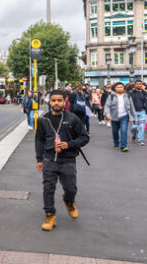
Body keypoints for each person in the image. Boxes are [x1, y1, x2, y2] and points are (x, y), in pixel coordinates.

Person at [36, 89, 90, 231]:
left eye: (59, 100)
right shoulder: (43, 120)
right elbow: (39, 140)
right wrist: (39, 159)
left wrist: (69, 144)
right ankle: (49, 215)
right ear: (49, 101)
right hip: (49, 160)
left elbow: (85, 137)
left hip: (68, 160)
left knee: (71, 189)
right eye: (53, 100)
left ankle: (69, 202)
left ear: (64, 101)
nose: (56, 103)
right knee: (48, 188)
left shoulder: (72, 118)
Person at [104, 82, 137, 152]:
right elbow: (107, 106)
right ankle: (116, 143)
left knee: (124, 131)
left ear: (124, 88)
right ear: (115, 88)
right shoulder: (111, 96)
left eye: (121, 87)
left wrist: (134, 116)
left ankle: (123, 146)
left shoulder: (127, 96)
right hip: (114, 117)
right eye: (118, 87)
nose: (120, 88)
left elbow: (132, 107)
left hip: (124, 117)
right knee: (115, 132)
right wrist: (108, 114)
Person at [129, 80, 147, 146]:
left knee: (141, 126)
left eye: (140, 84)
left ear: (141, 85)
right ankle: (134, 135)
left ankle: (140, 140)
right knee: (134, 127)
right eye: (137, 84)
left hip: (142, 111)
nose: (139, 85)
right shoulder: (131, 93)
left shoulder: (144, 93)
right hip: (133, 112)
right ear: (135, 85)